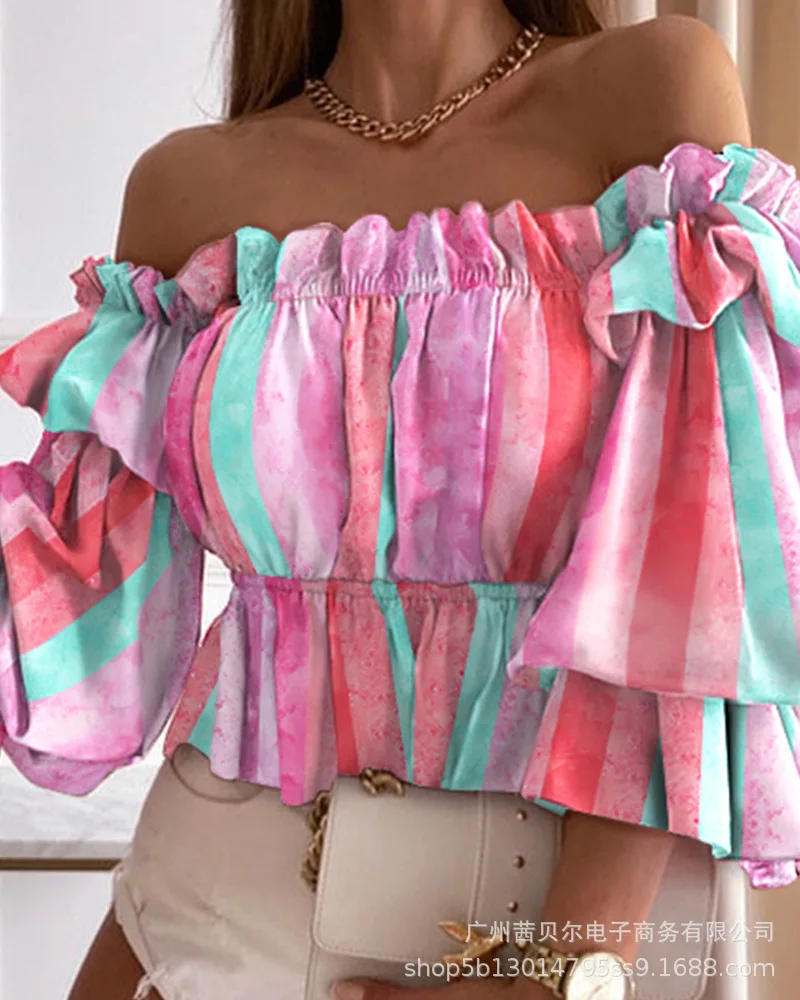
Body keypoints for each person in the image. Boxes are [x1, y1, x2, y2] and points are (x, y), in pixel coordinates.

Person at [1, 1, 798, 998]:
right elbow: (79, 634)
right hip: (217, 905)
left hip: (552, 915)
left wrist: (564, 968)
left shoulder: (651, 90)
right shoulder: (185, 188)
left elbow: (700, 568)